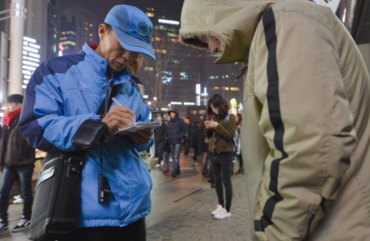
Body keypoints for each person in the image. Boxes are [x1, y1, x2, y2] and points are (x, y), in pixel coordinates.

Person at [179, 0, 370, 240]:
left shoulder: (286, 21)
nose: (210, 47)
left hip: (332, 228)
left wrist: (271, 233)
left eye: (206, 35)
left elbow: (311, 151)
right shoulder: (277, 28)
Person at [19, 4, 155, 241]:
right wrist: (99, 124)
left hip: (134, 210)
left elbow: (142, 135)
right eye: (123, 46)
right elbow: (35, 126)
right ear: (102, 31)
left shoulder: (131, 86)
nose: (127, 57)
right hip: (82, 214)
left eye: (136, 52)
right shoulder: (54, 71)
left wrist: (143, 138)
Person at [0, 94, 36, 234]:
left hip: (24, 162)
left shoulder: (26, 119)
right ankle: (2, 221)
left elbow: (31, 139)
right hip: (9, 163)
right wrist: (2, 161)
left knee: (25, 192)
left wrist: (25, 155)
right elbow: (4, 143)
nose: (7, 107)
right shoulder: (6, 121)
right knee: (2, 192)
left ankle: (26, 217)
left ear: (19, 105)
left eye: (10, 105)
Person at [205, 94, 236, 220]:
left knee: (226, 181)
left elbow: (230, 135)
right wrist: (207, 128)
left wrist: (217, 126)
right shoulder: (214, 117)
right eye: (212, 108)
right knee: (216, 181)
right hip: (213, 153)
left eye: (216, 107)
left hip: (226, 153)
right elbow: (209, 137)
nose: (214, 110)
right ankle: (221, 205)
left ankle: (228, 209)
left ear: (221, 105)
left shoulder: (231, 117)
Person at [164, 108, 186, 178]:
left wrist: (180, 137)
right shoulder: (169, 122)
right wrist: (166, 136)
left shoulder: (180, 121)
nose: (172, 114)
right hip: (171, 141)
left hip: (177, 142)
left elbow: (184, 130)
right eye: (170, 113)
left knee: (176, 157)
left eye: (173, 113)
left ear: (176, 114)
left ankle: (174, 171)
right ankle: (177, 169)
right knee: (173, 157)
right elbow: (166, 131)